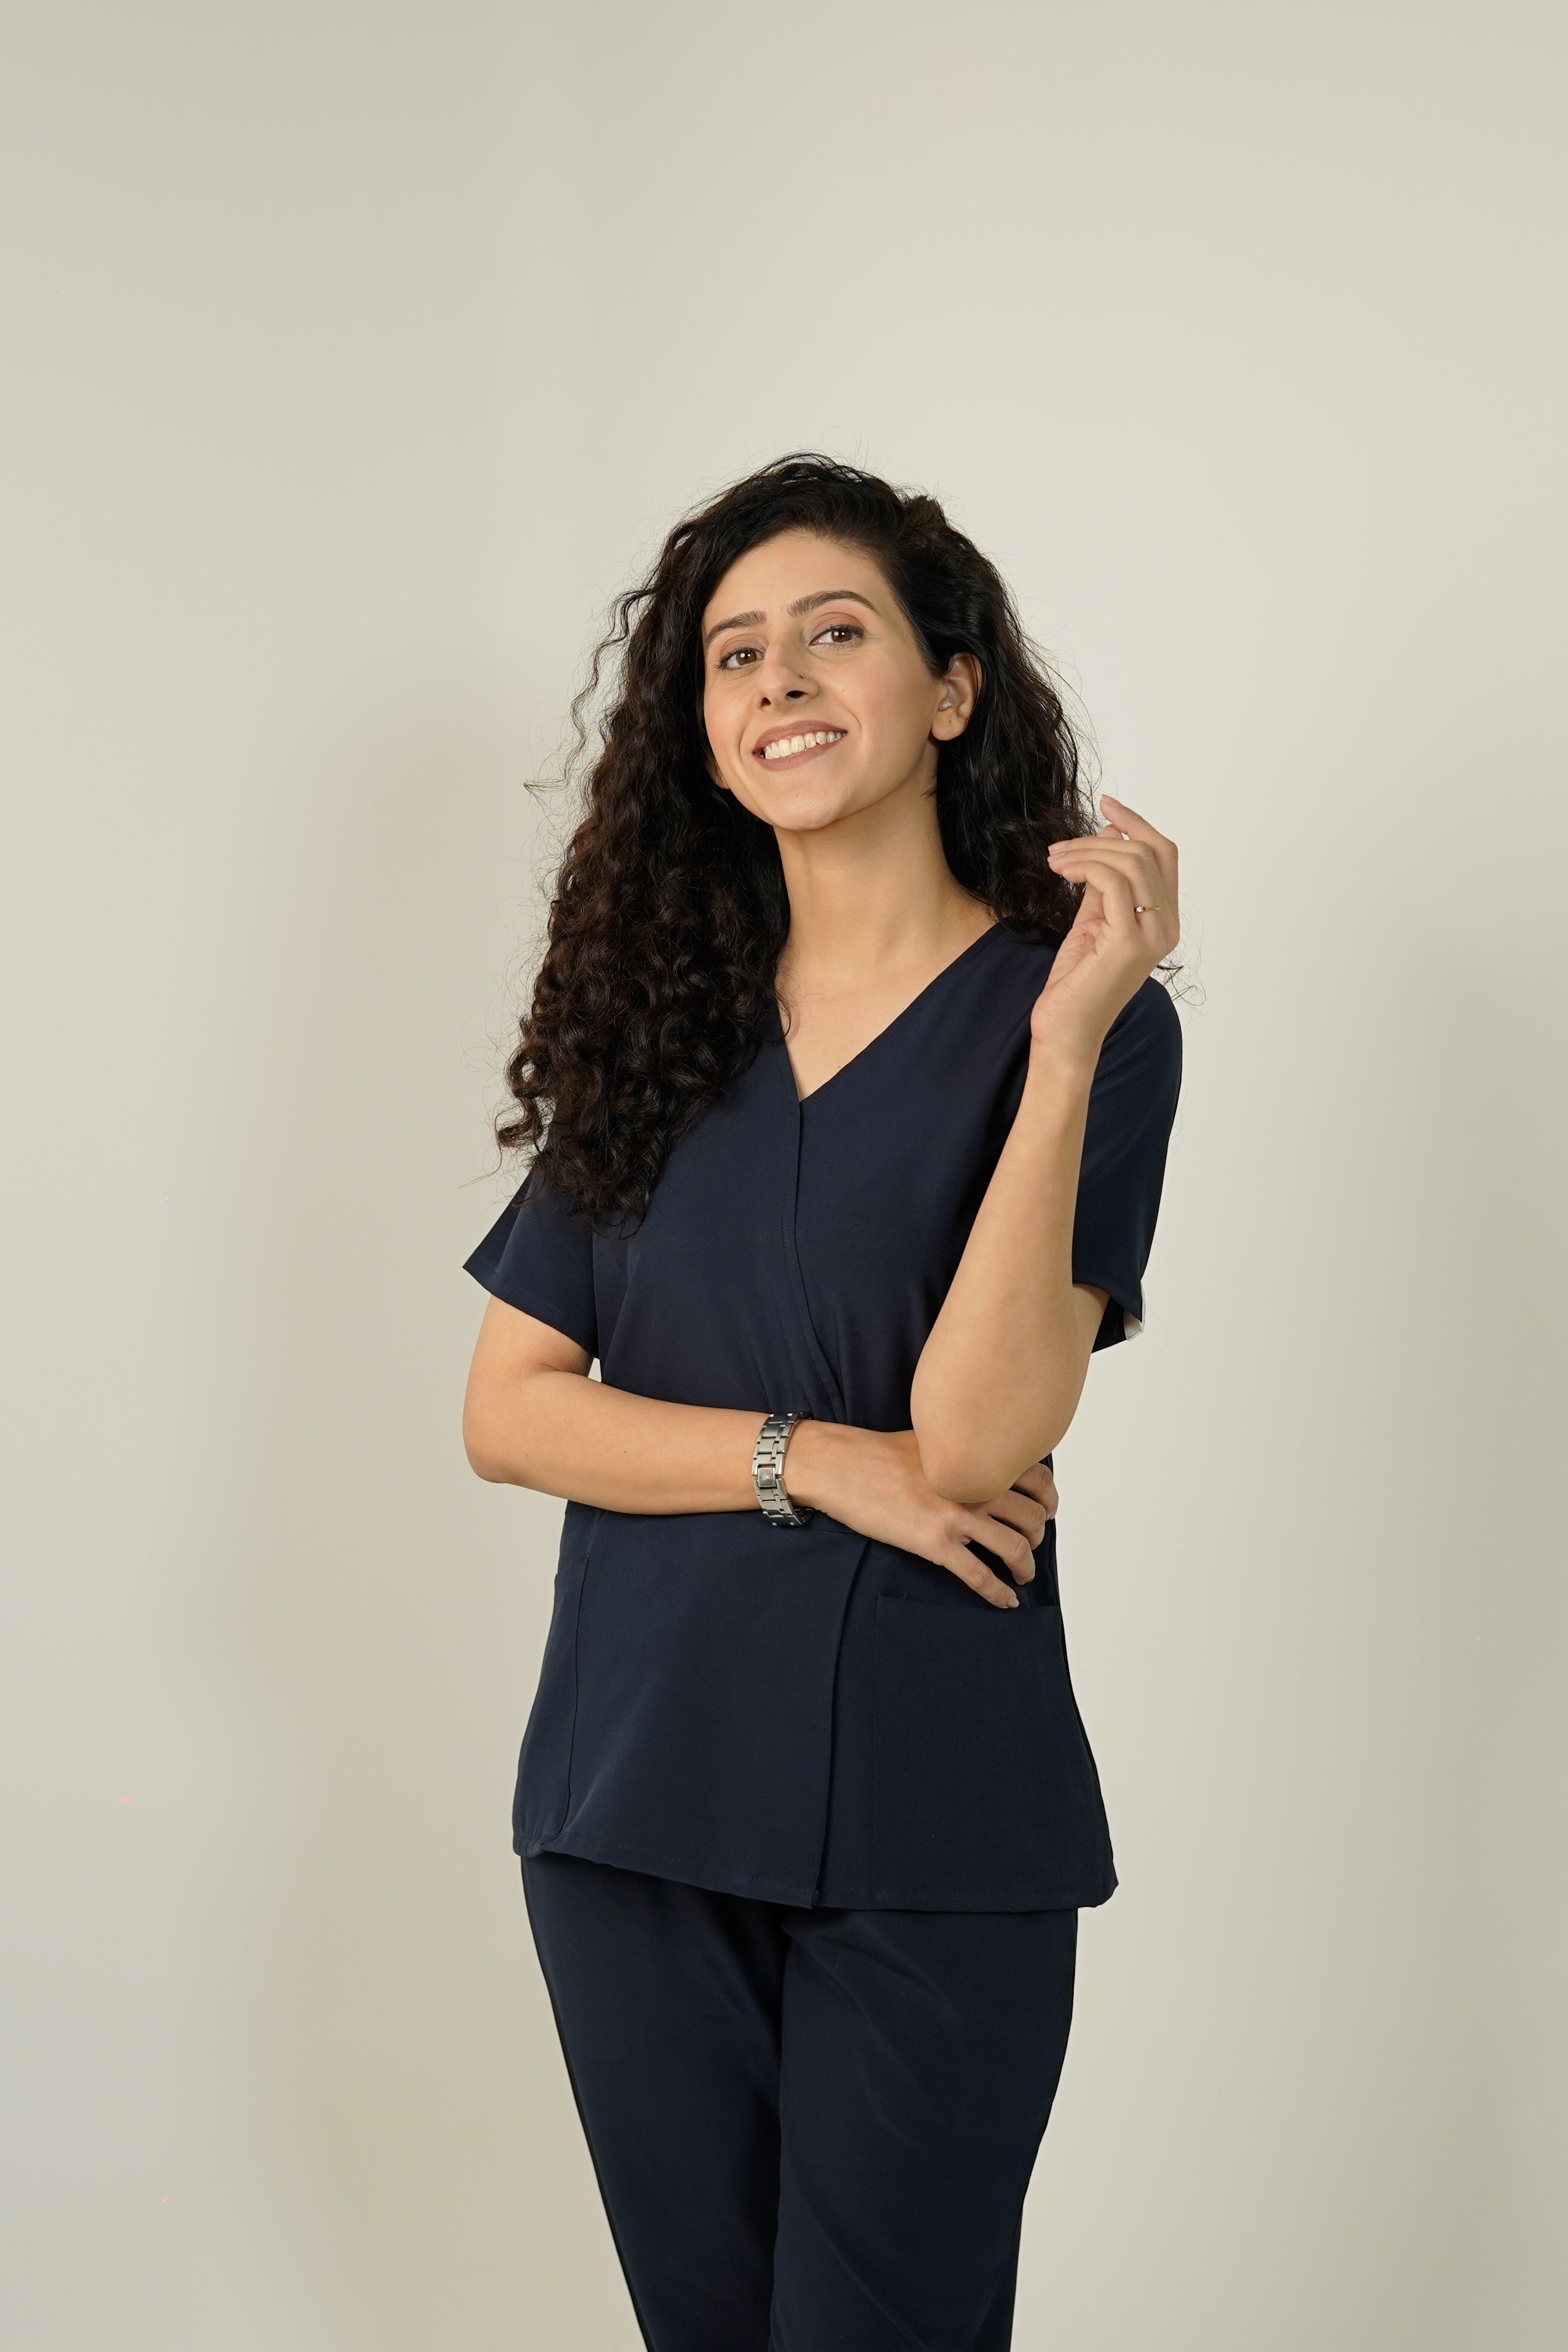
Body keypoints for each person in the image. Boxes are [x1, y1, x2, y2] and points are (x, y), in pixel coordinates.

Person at [460, 454, 1182, 2352]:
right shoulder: (654, 1025)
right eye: (734, 654)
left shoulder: (1078, 1022)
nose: (777, 678)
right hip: (632, 1802)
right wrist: (816, 1464)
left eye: (834, 633)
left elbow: (981, 1441)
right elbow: (512, 1409)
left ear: (951, 688)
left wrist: (1067, 1046)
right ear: (703, 736)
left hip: (934, 1825)